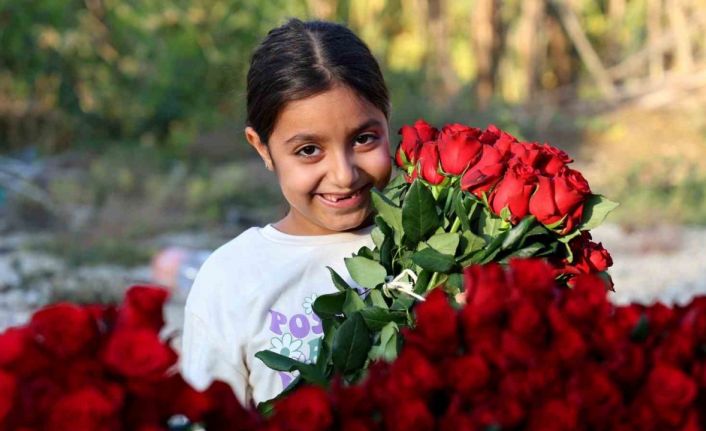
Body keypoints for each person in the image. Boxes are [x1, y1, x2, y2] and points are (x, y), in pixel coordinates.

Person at [180, 18, 392, 407]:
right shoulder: (231, 279)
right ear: (262, 148)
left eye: (364, 139)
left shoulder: (438, 241)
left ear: (387, 121)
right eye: (309, 150)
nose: (344, 175)